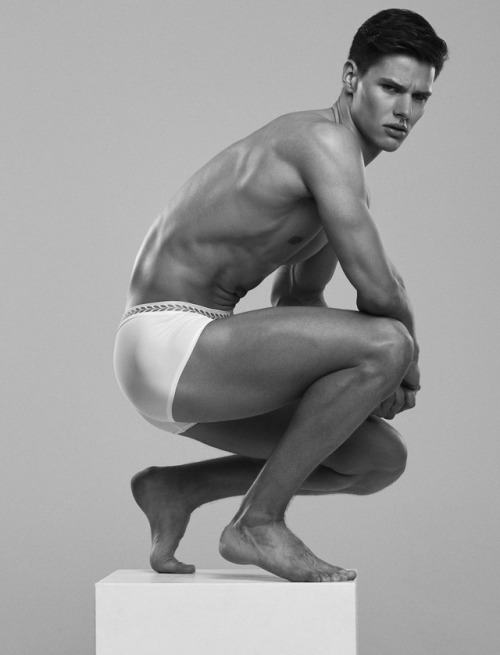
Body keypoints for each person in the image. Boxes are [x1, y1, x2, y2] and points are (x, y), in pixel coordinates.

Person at [113, 8, 448, 582]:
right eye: (391, 88)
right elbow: (381, 289)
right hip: (170, 339)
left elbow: (296, 297)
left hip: (186, 367)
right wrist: (403, 366)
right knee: (389, 342)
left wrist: (359, 388)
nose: (405, 111)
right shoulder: (322, 141)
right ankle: (257, 523)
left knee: (377, 460)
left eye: (419, 97)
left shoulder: (338, 175)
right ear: (351, 78)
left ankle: (180, 487)